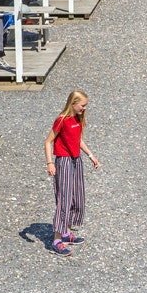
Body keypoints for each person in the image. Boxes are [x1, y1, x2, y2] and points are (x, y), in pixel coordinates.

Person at [44, 89, 100, 256]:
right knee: (64, 199)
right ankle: (56, 241)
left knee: (77, 196)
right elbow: (48, 142)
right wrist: (50, 163)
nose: (84, 108)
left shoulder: (77, 119)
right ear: (73, 103)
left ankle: (67, 233)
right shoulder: (61, 120)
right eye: (82, 105)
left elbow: (78, 140)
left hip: (77, 160)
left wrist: (91, 156)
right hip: (64, 161)